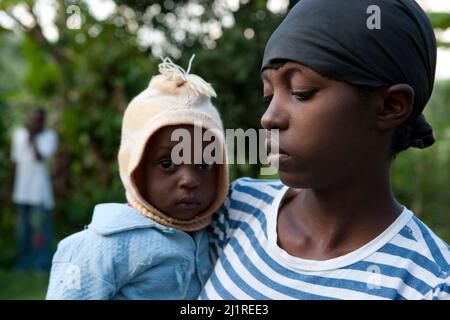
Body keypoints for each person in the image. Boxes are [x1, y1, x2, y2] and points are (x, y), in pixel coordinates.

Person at [200, 0, 450, 300]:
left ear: (390, 106)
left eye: (301, 92)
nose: (269, 117)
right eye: (269, 95)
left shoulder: (429, 284)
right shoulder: (234, 209)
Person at [46, 57, 228, 299]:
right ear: (135, 169)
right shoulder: (103, 246)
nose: (189, 180)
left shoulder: (220, 231)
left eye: (205, 163)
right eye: (167, 163)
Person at [11, 108, 58, 272]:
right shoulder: (18, 135)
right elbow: (15, 162)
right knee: (23, 231)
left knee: (41, 231)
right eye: (32, 119)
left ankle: (41, 263)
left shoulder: (49, 136)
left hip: (40, 194)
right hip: (21, 192)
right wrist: (9, 190)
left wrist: (33, 139)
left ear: (43, 121)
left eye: (38, 120)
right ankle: (23, 263)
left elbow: (40, 158)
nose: (34, 123)